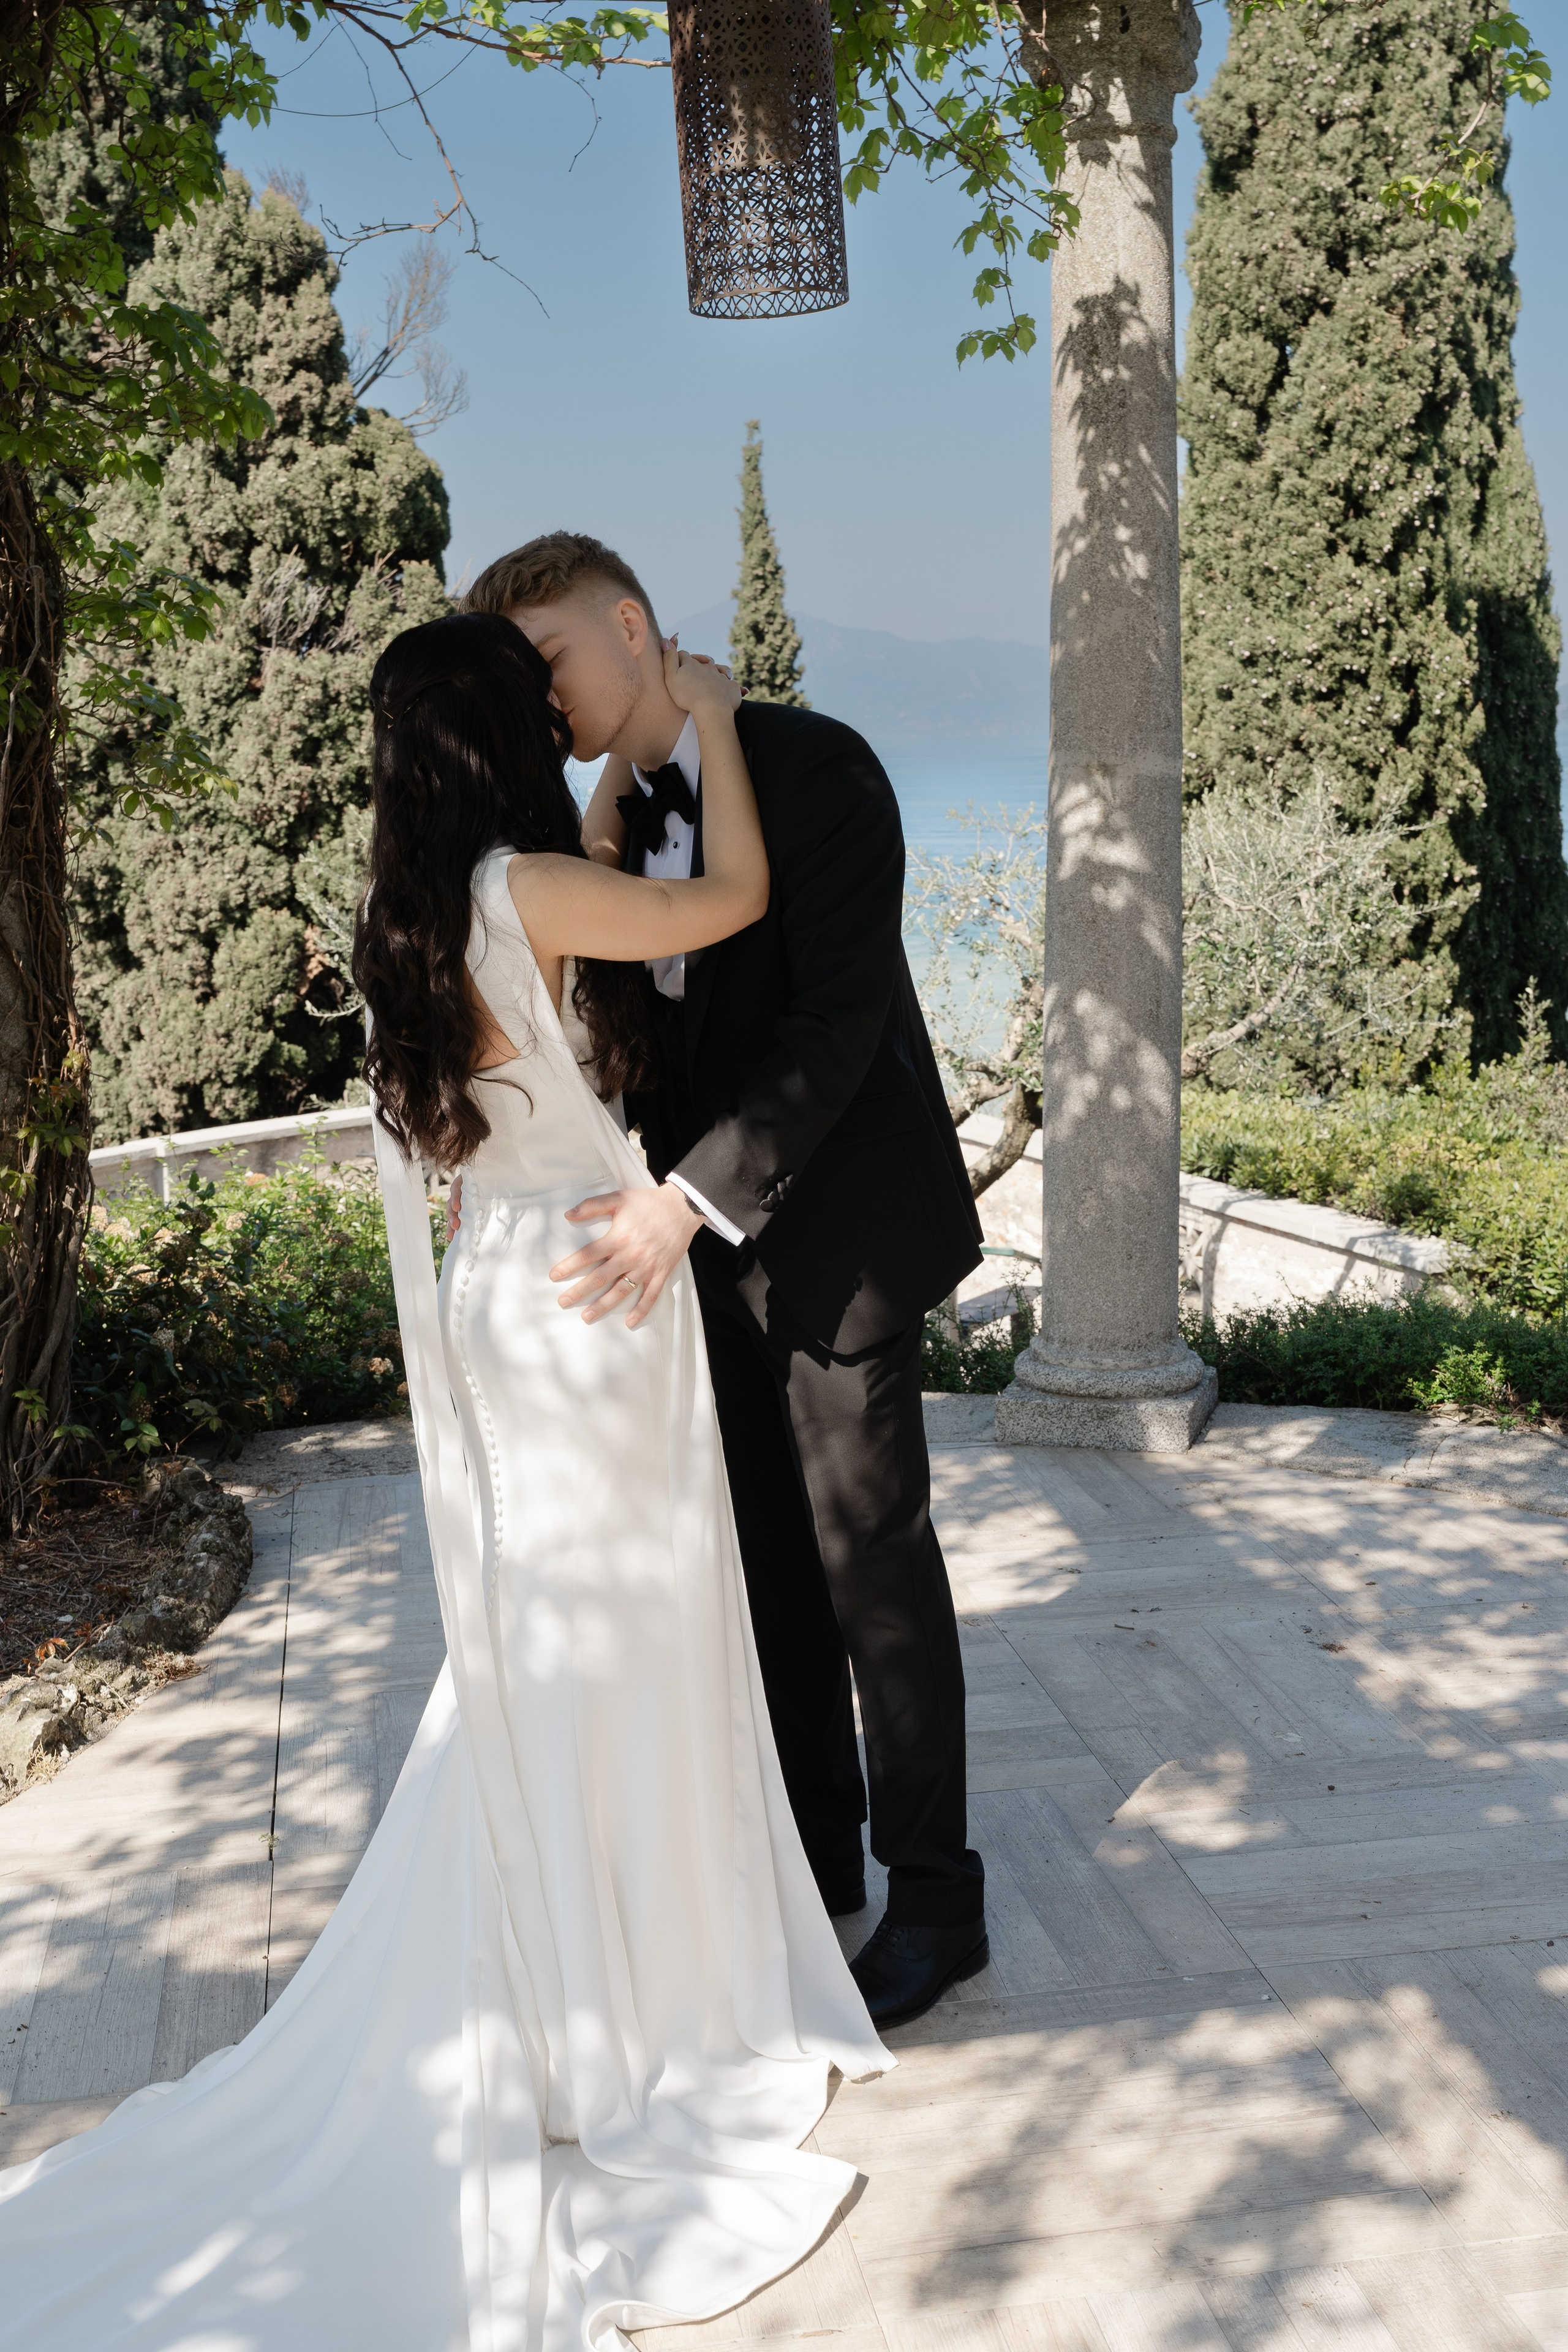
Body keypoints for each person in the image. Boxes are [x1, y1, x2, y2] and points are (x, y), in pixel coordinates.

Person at [0, 611, 889, 2350]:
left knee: (552, 1654)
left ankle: (584, 1972)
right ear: (490, 730)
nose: (561, 709)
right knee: (623, 1650)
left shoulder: (412, 911)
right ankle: (632, 2005)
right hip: (590, 1300)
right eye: (532, 693)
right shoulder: (522, 889)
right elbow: (726, 911)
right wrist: (696, 712)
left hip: (506, 1292)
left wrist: (629, 784)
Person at [459, 535, 989, 2028]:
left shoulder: (822, 769)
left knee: (870, 1564)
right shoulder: (608, 820)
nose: (540, 689)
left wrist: (685, 1204)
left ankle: (938, 1904)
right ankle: (811, 1868)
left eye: (550, 652)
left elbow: (831, 1025)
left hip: (837, 1246)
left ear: (630, 628)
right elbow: (629, 1037)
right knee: (765, 1571)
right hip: (696, 1258)